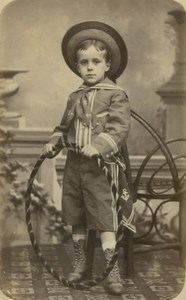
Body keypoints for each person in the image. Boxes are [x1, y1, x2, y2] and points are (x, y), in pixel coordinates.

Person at [43, 21, 135, 295]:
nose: (90, 67)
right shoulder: (74, 97)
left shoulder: (116, 95)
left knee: (103, 216)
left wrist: (98, 145)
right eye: (84, 62)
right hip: (74, 166)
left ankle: (111, 269)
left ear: (108, 65)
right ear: (77, 66)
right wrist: (52, 145)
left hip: (100, 167)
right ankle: (81, 261)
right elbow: (63, 127)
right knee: (76, 214)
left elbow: (119, 128)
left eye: (96, 61)